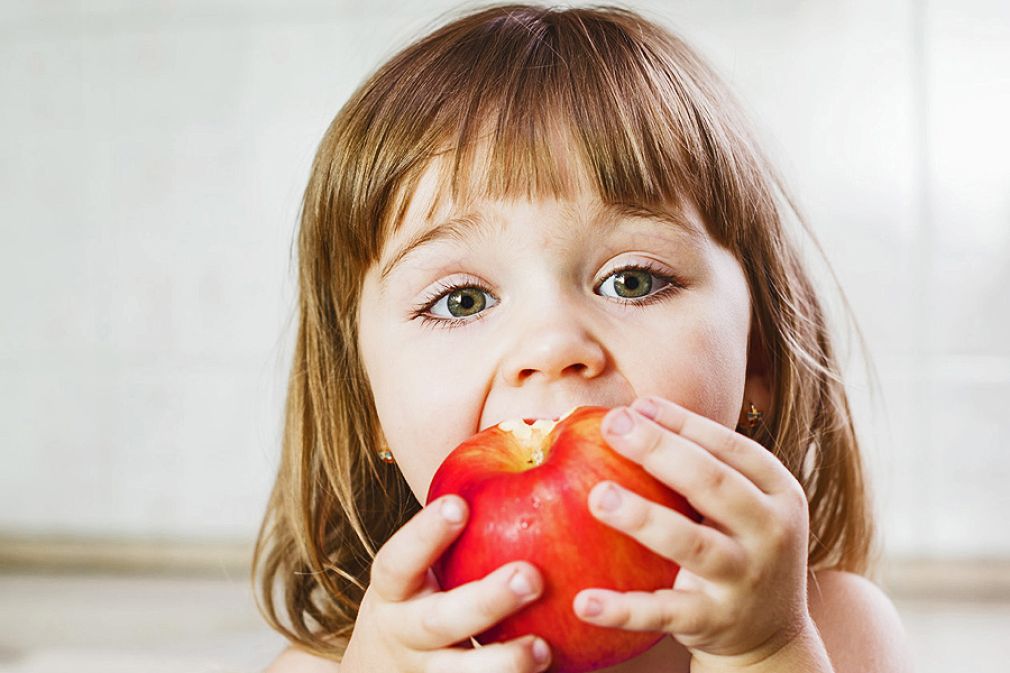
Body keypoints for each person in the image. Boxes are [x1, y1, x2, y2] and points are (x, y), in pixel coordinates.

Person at [253, 3, 912, 672]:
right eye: (461, 300)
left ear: (759, 359)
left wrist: (768, 652)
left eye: (631, 280)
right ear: (367, 405)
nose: (552, 344)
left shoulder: (834, 629)